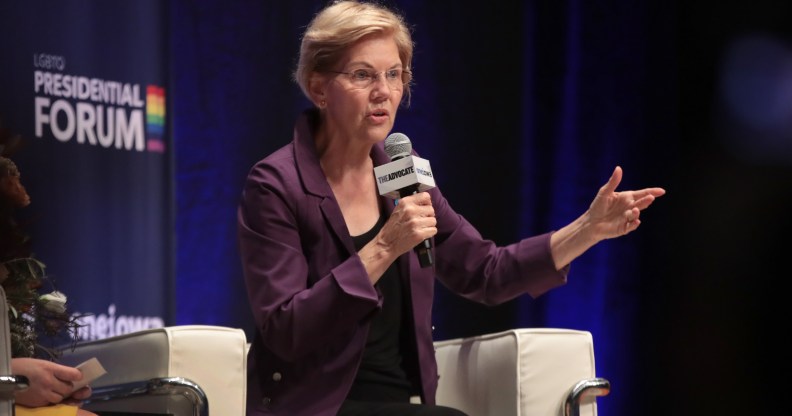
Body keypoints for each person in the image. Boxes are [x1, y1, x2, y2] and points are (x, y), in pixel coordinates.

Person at [236, 1, 666, 415]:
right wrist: (385, 247)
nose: (383, 91)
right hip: (315, 406)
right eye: (363, 75)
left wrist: (587, 229)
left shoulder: (403, 175)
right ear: (318, 87)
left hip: (404, 403)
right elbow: (285, 330)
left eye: (394, 74)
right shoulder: (276, 184)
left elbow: (486, 271)